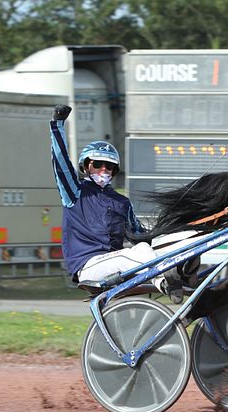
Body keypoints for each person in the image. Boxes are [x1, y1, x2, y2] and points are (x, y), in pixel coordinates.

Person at [49, 104, 193, 303]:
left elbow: (141, 237)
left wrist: (175, 233)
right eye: (97, 164)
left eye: (109, 166)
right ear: (85, 166)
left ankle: (176, 278)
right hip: (87, 266)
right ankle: (165, 281)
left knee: (143, 248)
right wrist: (57, 125)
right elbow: (61, 165)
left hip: (116, 264)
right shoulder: (74, 192)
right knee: (136, 253)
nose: (104, 169)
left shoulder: (122, 202)